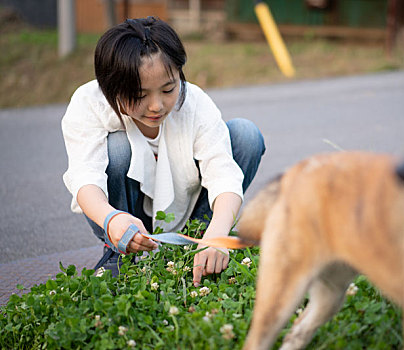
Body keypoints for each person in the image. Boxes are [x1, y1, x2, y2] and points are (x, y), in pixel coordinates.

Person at [61, 16, 265, 287]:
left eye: (168, 89)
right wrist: (111, 219)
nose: (156, 105)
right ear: (111, 88)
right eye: (139, 94)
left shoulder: (193, 104)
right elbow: (85, 178)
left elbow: (223, 173)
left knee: (245, 135)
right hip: (123, 221)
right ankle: (118, 254)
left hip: (187, 211)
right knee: (118, 148)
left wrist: (218, 234)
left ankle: (197, 244)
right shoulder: (90, 104)